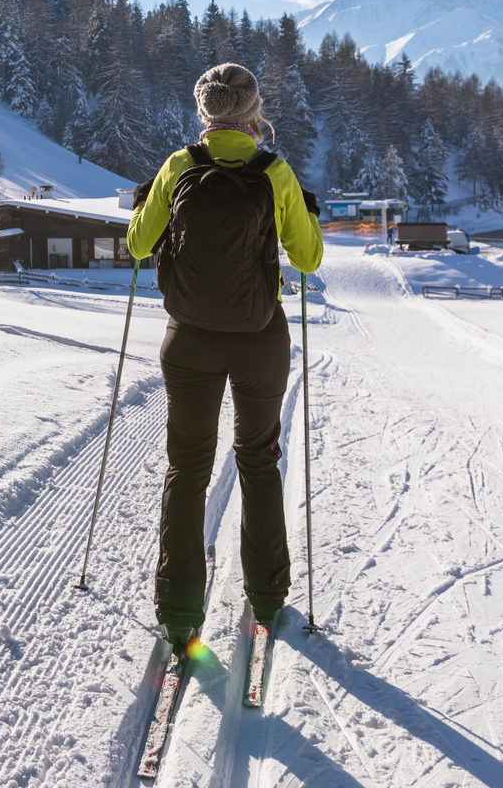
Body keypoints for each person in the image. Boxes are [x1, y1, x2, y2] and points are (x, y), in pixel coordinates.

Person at [126, 63, 324, 647]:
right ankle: (267, 595)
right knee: (259, 459)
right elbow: (308, 260)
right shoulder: (274, 171)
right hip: (260, 335)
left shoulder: (179, 167)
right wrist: (306, 215)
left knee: (188, 467)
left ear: (204, 112)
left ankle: (179, 610)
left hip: (189, 337)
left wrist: (145, 206)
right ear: (253, 112)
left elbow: (139, 246)